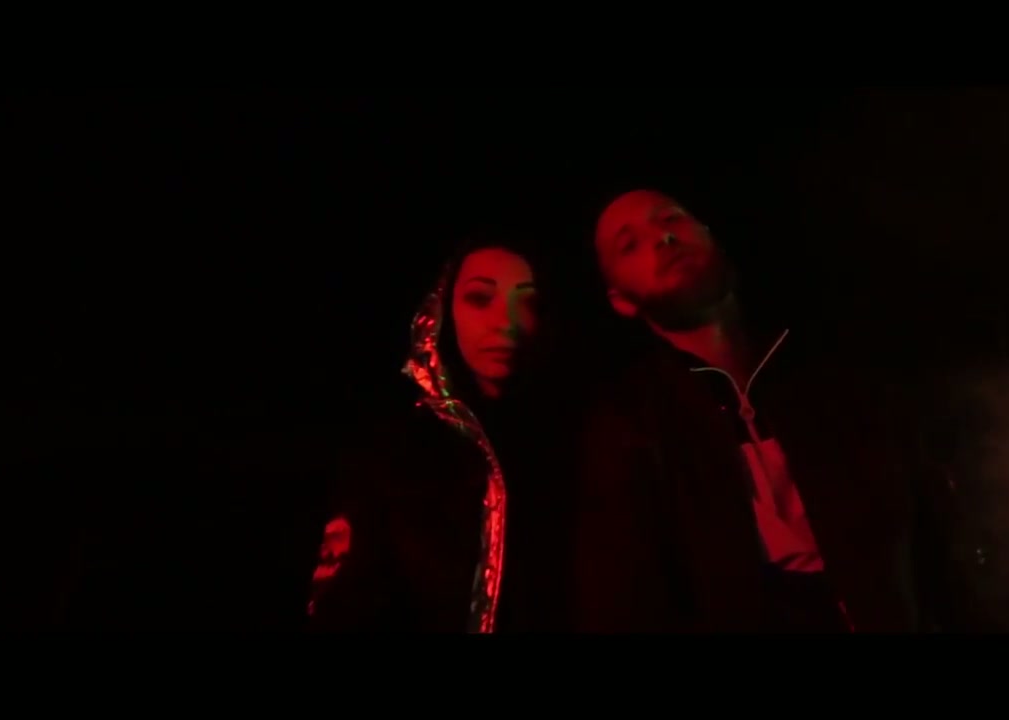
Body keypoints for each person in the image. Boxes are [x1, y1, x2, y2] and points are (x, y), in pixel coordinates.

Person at [571, 189, 924, 632]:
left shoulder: (828, 373)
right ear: (620, 300)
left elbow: (925, 527)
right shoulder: (628, 425)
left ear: (711, 237)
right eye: (630, 245)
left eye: (671, 219)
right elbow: (626, 597)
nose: (662, 238)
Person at [307, 231, 572, 632]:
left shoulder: (579, 439)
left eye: (528, 302)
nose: (506, 322)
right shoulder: (393, 448)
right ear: (443, 312)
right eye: (480, 298)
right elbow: (345, 603)